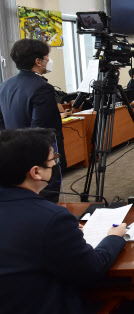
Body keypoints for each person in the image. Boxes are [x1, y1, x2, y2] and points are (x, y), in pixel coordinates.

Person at [0, 128, 127, 313]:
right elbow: (91, 269)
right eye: (53, 159)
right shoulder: (51, 218)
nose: (55, 163)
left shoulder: (48, 219)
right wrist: (114, 237)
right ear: (36, 172)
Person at [0, 39, 66, 203]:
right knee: (46, 202)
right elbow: (43, 130)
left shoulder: (5, 85)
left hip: (11, 156)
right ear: (38, 61)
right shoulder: (42, 87)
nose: (49, 61)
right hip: (39, 160)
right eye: (47, 57)